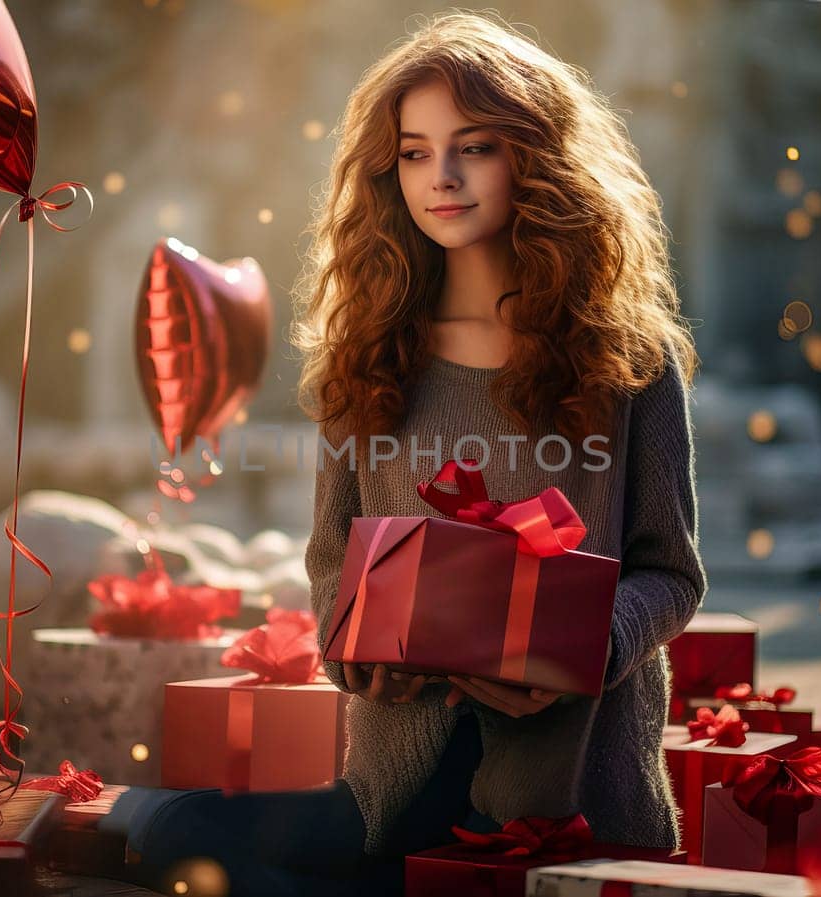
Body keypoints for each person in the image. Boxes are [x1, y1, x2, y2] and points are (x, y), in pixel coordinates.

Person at [102, 11, 706, 896]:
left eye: (475, 147)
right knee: (182, 832)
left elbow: (672, 575)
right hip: (391, 790)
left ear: (534, 158)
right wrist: (357, 656)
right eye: (415, 152)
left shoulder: (631, 360)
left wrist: (580, 653)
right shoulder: (369, 352)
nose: (443, 178)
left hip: (568, 797)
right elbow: (328, 566)